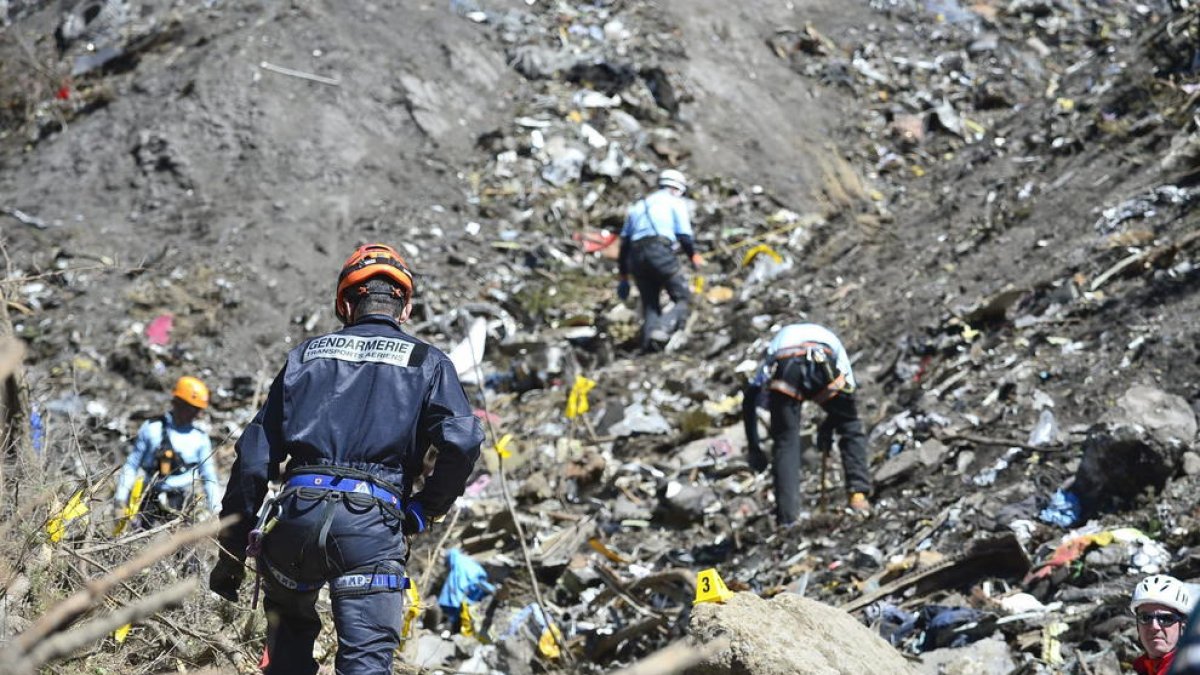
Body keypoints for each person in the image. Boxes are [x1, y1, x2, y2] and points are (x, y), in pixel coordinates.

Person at [208, 243, 484, 675]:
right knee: (365, 663)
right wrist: (423, 511)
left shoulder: (306, 356)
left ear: (345, 303)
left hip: (294, 519)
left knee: (287, 653)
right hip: (369, 530)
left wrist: (231, 549)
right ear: (404, 307)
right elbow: (463, 442)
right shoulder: (428, 362)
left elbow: (255, 454)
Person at [741, 322, 871, 526]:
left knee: (786, 442)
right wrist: (833, 422)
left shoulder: (775, 347)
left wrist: (754, 448)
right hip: (823, 360)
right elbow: (847, 401)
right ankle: (858, 496)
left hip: (786, 364)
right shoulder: (831, 340)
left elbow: (749, 399)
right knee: (851, 426)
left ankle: (788, 518)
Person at [616, 168, 702, 351]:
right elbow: (684, 236)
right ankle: (662, 328)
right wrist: (693, 256)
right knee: (684, 298)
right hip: (658, 250)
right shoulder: (674, 201)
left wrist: (623, 277)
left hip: (636, 257)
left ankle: (648, 348)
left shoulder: (638, 206)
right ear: (676, 189)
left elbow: (623, 246)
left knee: (650, 306)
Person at [114, 375, 218, 526]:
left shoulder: (200, 439)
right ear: (177, 402)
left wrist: (215, 511)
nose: (193, 414)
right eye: (190, 408)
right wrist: (120, 499)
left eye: (197, 410)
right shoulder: (151, 428)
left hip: (182, 502)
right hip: (149, 497)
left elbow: (210, 477)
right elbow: (132, 464)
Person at [1129, 574, 1193, 674]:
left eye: (1166, 619)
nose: (1154, 626)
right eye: (1145, 618)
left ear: (1183, 626)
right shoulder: (1142, 668)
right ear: (1137, 625)